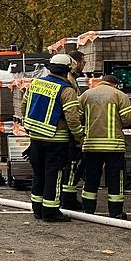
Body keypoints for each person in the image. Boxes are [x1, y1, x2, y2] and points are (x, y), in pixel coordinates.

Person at [22, 54, 86, 222]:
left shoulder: (35, 83)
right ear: (68, 70)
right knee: (54, 175)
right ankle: (50, 211)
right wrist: (79, 136)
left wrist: (30, 127)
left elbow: (24, 106)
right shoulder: (67, 90)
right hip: (56, 140)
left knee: (38, 173)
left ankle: (37, 209)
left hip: (35, 138)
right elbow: (72, 118)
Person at [78, 75, 131, 218]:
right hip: (114, 146)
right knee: (115, 179)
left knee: (91, 178)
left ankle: (88, 211)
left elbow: (77, 117)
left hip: (91, 145)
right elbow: (128, 119)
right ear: (115, 84)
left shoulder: (86, 94)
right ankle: (115, 213)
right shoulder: (119, 95)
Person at [60, 50, 87, 209]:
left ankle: (68, 197)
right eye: (83, 62)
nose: (84, 65)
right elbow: (71, 111)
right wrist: (78, 135)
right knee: (71, 166)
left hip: (62, 131)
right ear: (76, 62)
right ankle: (68, 199)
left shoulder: (71, 79)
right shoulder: (69, 82)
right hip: (69, 132)